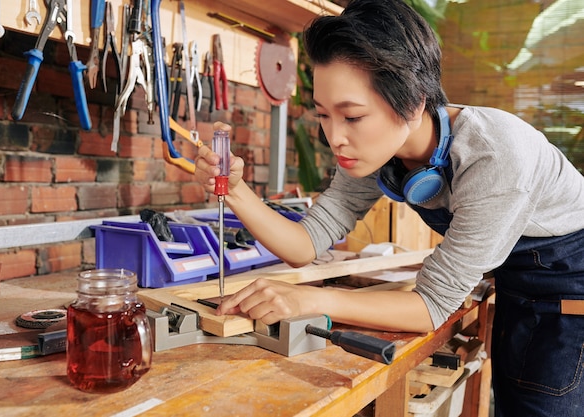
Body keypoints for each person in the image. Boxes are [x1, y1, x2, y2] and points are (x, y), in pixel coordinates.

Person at [194, 0, 584, 415]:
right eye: (324, 115)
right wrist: (235, 191)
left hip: (571, 297)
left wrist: (310, 301)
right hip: (519, 288)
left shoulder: (496, 156)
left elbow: (429, 306)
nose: (334, 138)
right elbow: (305, 244)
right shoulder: (374, 153)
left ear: (414, 104)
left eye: (353, 116)